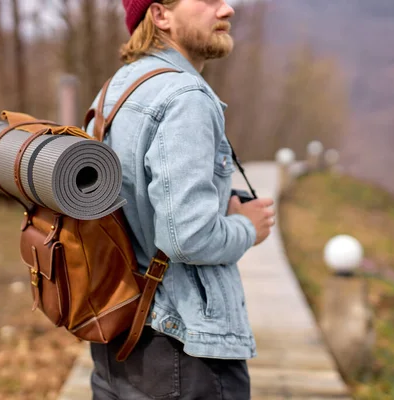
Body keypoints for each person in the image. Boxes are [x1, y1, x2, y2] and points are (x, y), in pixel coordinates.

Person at [84, 1, 276, 399]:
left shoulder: (115, 89)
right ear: (160, 15)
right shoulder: (185, 97)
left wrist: (221, 202)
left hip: (116, 332)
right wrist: (247, 228)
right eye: (208, 0)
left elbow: (139, 203)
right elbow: (186, 237)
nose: (228, 9)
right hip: (181, 352)